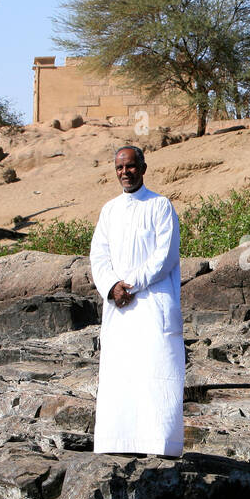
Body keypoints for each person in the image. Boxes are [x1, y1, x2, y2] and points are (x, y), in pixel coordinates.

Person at [89, 145, 185, 458]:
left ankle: (160, 445)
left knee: (157, 370)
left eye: (130, 167)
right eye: (119, 168)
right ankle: (117, 443)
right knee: (121, 373)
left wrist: (132, 284)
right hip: (120, 307)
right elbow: (99, 256)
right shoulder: (109, 210)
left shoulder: (160, 206)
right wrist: (112, 286)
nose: (125, 173)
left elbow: (165, 256)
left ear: (143, 168)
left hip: (152, 305)